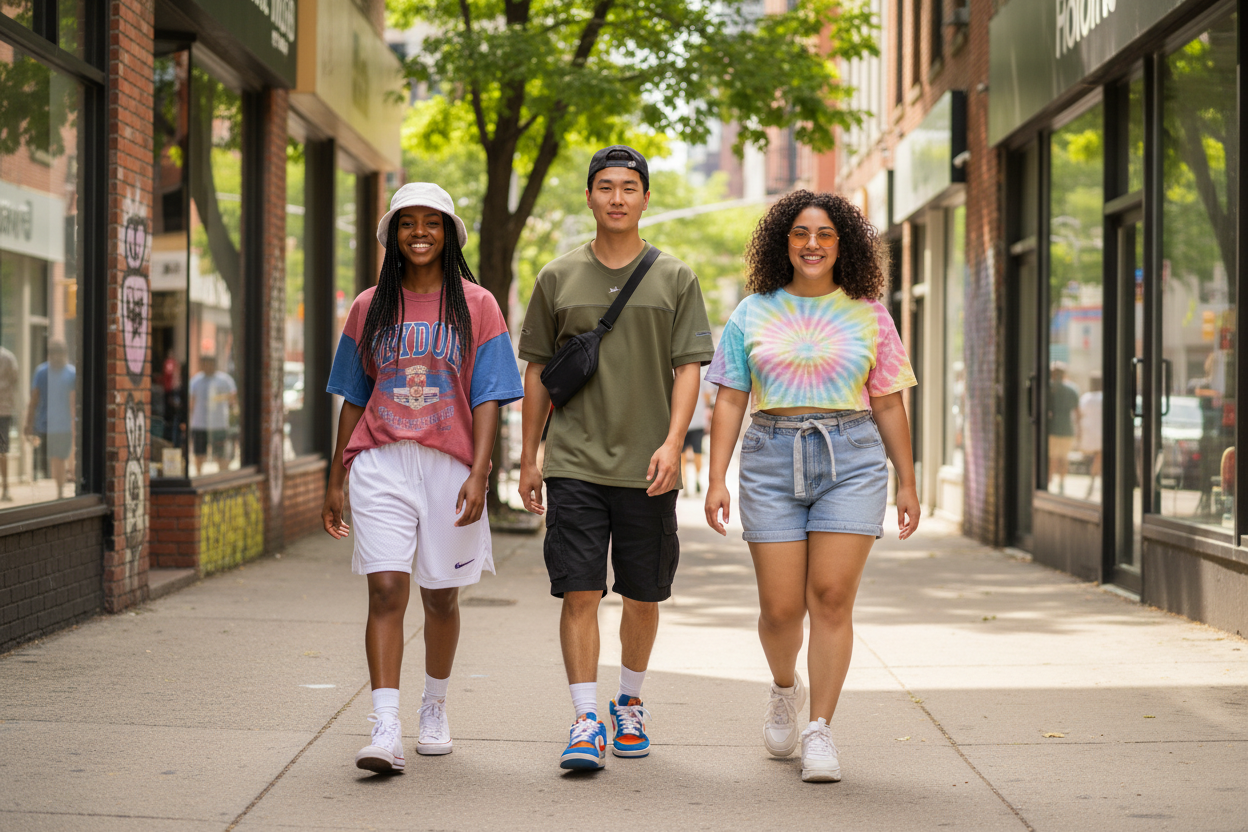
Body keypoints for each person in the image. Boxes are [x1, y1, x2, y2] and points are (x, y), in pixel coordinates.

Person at [703, 191, 919, 783]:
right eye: (800, 233)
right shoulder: (752, 311)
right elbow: (729, 399)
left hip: (852, 456)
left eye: (825, 234)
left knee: (829, 596)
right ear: (784, 242)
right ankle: (783, 688)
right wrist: (716, 477)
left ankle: (820, 729)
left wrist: (908, 480)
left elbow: (889, 402)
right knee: (779, 608)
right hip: (770, 455)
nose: (813, 244)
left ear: (843, 244)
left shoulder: (869, 311)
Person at [517, 145, 714, 771]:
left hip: (647, 465)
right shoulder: (557, 277)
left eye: (630, 187)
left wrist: (674, 441)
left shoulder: (676, 277)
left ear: (646, 198)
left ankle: (628, 704)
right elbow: (538, 372)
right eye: (606, 186)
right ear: (590, 196)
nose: (618, 197)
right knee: (578, 591)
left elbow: (689, 368)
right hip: (573, 460)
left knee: (642, 594)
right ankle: (583, 719)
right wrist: (528, 457)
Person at [322, 183, 523, 774]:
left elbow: (488, 395)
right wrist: (338, 477)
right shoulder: (369, 307)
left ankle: (434, 707)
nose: (418, 232)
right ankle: (385, 727)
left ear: (448, 233)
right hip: (382, 462)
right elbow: (353, 396)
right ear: (391, 235)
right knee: (386, 589)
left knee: (440, 596)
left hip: (450, 463)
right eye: (407, 223)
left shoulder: (477, 304)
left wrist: (480, 473)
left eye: (430, 222)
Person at [24, 338, 77, 500]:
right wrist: (28, 423)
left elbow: (73, 402)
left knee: (58, 458)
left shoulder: (71, 373)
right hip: (45, 424)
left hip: (63, 425)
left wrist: (74, 425)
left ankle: (60, 490)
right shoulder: (42, 372)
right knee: (56, 458)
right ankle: (60, 488)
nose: (56, 358)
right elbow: (34, 399)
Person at [188, 353, 237, 475]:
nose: (206, 366)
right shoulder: (196, 380)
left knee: (220, 455)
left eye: (209, 364)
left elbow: (233, 400)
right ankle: (199, 476)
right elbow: (191, 403)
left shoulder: (224, 380)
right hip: (200, 424)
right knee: (199, 455)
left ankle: (220, 478)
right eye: (204, 364)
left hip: (219, 424)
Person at [1047, 361, 1080, 495]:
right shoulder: (1072, 390)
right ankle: (1061, 483)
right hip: (1067, 429)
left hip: (1052, 429)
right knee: (1063, 458)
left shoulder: (1048, 388)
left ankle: (1048, 482)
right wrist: (1079, 431)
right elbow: (1078, 413)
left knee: (1051, 458)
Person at [682, 370, 715, 496]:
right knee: (697, 452)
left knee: (682, 453)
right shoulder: (701, 374)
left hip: (683, 421)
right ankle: (696, 479)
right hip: (697, 420)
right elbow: (708, 395)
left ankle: (685, 483)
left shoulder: (678, 372)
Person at [1077, 372, 1103, 499]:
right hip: (1101, 434)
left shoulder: (1086, 398)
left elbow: (1080, 415)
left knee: (1098, 458)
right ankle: (1094, 483)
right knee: (1099, 458)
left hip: (1090, 434)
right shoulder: (1104, 397)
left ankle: (1093, 483)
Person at [0, 340, 17, 501]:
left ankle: (5, 488)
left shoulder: (8, 357)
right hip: (4, 410)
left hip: (4, 410)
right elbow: (15, 380)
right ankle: (5, 488)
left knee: (3, 451)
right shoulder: (8, 357)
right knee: (3, 451)